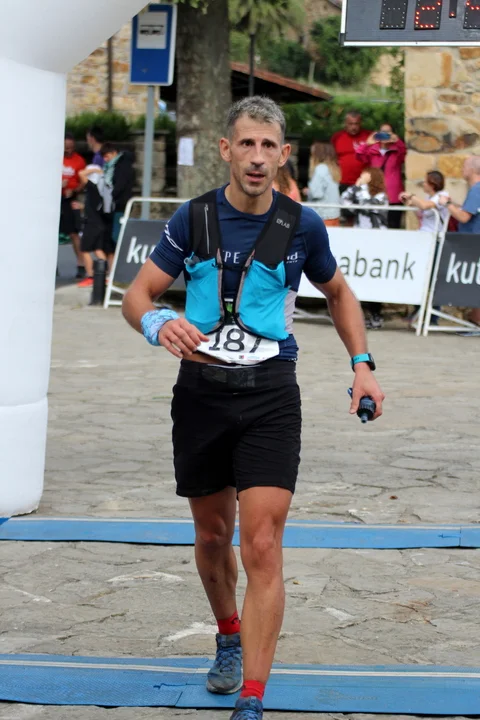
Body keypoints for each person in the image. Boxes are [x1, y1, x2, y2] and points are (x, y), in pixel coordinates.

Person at [122, 96, 384, 720]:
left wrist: (362, 364)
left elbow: (339, 293)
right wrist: (158, 322)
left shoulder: (303, 225)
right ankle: (228, 635)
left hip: (271, 395)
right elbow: (137, 295)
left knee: (262, 543)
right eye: (247, 144)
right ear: (227, 150)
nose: (258, 157)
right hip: (201, 394)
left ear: (284, 154)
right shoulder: (193, 218)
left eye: (269, 146)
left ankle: (253, 698)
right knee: (213, 535)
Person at [341, 168, 389, 330]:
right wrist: (357, 187)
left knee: (373, 279)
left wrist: (359, 188)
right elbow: (345, 200)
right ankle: (360, 316)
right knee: (358, 279)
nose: (360, 177)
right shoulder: (360, 192)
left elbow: (367, 205)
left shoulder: (381, 196)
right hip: (360, 239)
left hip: (376, 241)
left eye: (364, 175)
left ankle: (376, 315)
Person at [400, 171, 449, 327]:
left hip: (435, 241)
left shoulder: (442, 196)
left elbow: (425, 206)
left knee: (433, 279)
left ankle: (433, 317)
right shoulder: (428, 197)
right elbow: (421, 213)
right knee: (419, 276)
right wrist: (409, 202)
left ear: (433, 184)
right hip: (424, 240)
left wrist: (412, 196)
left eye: (426, 182)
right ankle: (418, 311)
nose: (424, 184)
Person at [438, 155, 480, 325]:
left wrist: (446, 205)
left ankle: (476, 321)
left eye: (464, 166)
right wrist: (453, 204)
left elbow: (463, 217)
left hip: (473, 243)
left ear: (472, 169)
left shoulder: (476, 189)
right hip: (472, 242)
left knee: (475, 283)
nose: (462, 169)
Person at [355, 123, 406, 228]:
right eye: (383, 132)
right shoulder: (372, 150)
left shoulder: (397, 150)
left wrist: (398, 141)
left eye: (388, 132)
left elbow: (404, 153)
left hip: (393, 196)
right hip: (376, 193)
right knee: (377, 225)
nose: (385, 135)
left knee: (394, 225)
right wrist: (367, 143)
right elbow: (359, 155)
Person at [75, 164, 116, 288]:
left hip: (92, 224)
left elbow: (81, 174)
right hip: (99, 223)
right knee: (98, 250)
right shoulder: (102, 189)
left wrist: (95, 170)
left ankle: (91, 276)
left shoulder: (92, 187)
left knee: (85, 249)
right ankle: (103, 276)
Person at [60, 133, 86, 279]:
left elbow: (83, 182)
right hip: (53, 199)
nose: (68, 150)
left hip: (70, 199)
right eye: (65, 147)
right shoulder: (56, 158)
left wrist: (75, 190)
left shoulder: (79, 161)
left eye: (71, 147)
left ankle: (81, 264)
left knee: (73, 233)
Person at [101, 142, 135, 245]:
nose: (105, 160)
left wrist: (111, 195)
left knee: (117, 234)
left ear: (114, 153)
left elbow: (120, 184)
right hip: (115, 203)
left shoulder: (122, 165)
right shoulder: (114, 166)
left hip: (120, 203)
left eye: (107, 156)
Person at [331, 111, 371, 195]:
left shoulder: (369, 136)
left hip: (364, 182)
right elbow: (331, 159)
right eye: (350, 124)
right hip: (343, 182)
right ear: (345, 123)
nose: (354, 127)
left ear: (360, 123)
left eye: (356, 124)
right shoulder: (337, 137)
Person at [303, 142, 341, 226]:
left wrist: (308, 191)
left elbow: (316, 194)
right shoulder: (332, 169)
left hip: (323, 216)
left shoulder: (320, 169)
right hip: (334, 214)